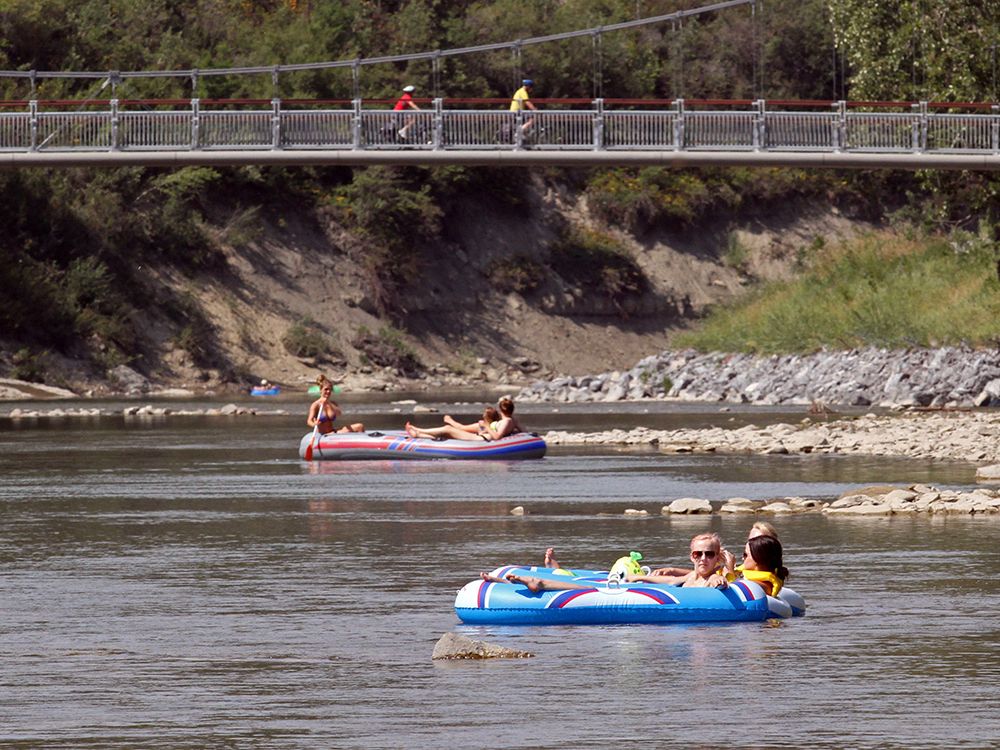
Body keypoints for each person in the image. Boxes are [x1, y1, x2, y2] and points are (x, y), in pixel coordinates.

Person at [481, 533, 729, 593]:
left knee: (590, 589)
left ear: (717, 558)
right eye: (698, 554)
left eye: (709, 554)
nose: (703, 558)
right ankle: (508, 582)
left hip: (644, 601)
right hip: (641, 590)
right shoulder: (692, 577)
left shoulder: (713, 579)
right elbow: (672, 580)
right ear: (691, 556)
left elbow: (720, 582)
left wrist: (722, 576)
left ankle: (539, 583)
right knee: (593, 584)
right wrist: (639, 577)